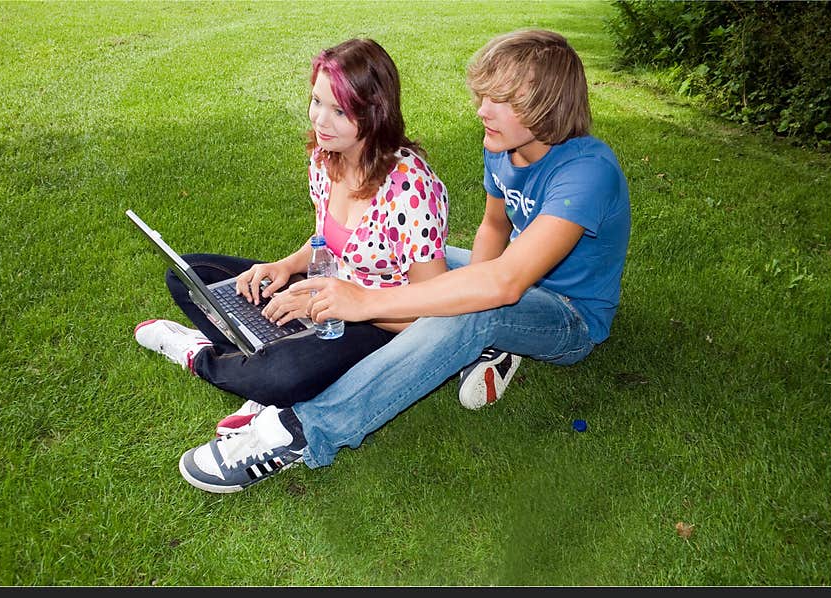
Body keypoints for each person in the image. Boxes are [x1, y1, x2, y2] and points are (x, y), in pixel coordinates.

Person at [178, 28, 631, 494]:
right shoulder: (504, 147)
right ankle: (482, 345)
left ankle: (304, 432)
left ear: (547, 107)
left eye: (502, 100)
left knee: (469, 314)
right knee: (411, 268)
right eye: (485, 96)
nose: (482, 110)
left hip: (568, 313)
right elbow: (494, 228)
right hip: (513, 274)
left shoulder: (587, 172)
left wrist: (366, 302)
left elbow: (506, 283)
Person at [134, 38, 449, 412]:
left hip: (377, 324)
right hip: (321, 294)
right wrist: (283, 267)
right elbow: (330, 241)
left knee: (282, 377)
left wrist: (339, 304)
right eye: (317, 102)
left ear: (374, 112)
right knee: (190, 275)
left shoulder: (411, 186)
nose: (319, 120)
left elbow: (432, 310)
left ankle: (202, 356)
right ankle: (260, 347)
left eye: (339, 111)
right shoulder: (324, 157)